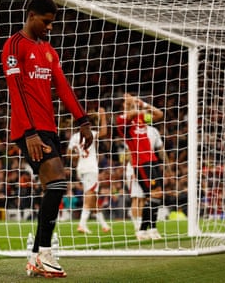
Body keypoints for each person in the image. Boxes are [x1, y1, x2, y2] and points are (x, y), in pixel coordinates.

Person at [1, 0, 93, 278]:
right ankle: (44, 252)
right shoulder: (13, 46)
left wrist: (83, 120)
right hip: (28, 130)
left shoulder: (49, 51)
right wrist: (29, 132)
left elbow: (63, 87)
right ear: (31, 15)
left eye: (52, 23)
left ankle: (36, 255)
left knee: (54, 186)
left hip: (49, 129)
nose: (50, 28)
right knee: (57, 182)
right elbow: (16, 90)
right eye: (46, 22)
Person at [116, 93, 167, 241]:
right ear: (124, 106)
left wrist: (143, 104)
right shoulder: (122, 120)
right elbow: (130, 114)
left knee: (155, 195)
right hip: (140, 163)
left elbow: (159, 114)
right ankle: (143, 229)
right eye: (127, 103)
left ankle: (150, 228)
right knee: (152, 194)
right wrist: (133, 104)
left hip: (152, 160)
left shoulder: (142, 118)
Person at [67, 107, 111, 234]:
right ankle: (82, 224)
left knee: (93, 198)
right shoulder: (90, 134)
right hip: (91, 168)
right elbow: (104, 132)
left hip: (81, 167)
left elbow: (68, 154)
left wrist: (77, 156)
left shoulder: (75, 137)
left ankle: (104, 225)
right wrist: (103, 116)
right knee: (90, 195)